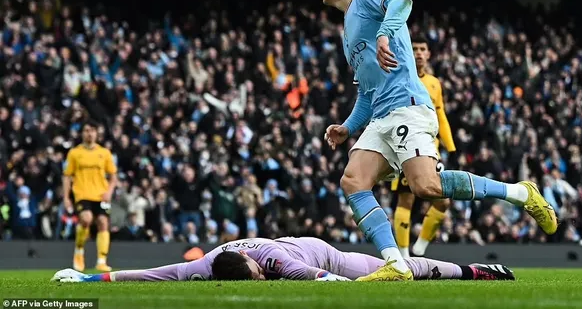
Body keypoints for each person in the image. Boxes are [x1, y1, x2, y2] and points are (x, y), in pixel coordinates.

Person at [318, 0, 557, 281]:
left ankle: (520, 193)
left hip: (408, 105)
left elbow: (402, 2)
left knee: (426, 187)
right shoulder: (347, 33)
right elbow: (366, 93)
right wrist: (347, 127)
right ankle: (397, 264)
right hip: (382, 115)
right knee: (353, 180)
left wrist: (385, 34)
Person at [50, 237, 515, 282]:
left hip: (324, 257)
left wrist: (346, 287)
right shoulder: (202, 266)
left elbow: (313, 277)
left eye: (256, 277)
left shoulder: (274, 260)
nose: (261, 279)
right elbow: (152, 274)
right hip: (308, 258)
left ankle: (477, 270)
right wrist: (91, 281)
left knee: (401, 270)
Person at [392, 35, 456, 257]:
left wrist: (450, 145)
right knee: (406, 199)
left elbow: (441, 115)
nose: (419, 52)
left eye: (422, 49)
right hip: (406, 144)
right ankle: (403, 254)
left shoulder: (434, 83)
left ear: (429, 54)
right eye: (415, 48)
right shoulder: (400, 78)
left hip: (431, 148)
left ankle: (420, 246)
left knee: (443, 202)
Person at [63, 120, 118, 272]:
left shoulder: (104, 153)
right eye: (87, 130)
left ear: (97, 133)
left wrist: (109, 192)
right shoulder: (75, 153)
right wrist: (66, 197)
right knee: (86, 219)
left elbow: (113, 176)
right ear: (82, 133)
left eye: (92, 130)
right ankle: (79, 250)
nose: (90, 133)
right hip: (82, 193)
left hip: (101, 194)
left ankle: (101, 261)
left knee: (102, 222)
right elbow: (67, 176)